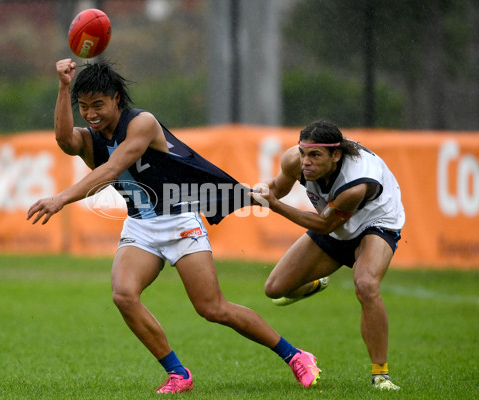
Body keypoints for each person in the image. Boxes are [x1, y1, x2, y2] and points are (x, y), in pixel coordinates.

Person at [26, 59, 320, 393]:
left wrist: (60, 199)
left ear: (117, 100)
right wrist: (64, 86)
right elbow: (64, 140)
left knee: (212, 308)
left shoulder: (142, 123)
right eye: (83, 107)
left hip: (179, 218)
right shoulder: (88, 137)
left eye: (98, 105)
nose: (91, 114)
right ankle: (178, 373)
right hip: (140, 225)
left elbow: (111, 170)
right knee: (124, 295)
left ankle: (295, 355)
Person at [250, 120, 405, 391]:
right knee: (274, 289)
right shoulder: (294, 160)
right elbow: (277, 188)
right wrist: (253, 193)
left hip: (375, 222)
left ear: (336, 155)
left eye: (314, 155)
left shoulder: (355, 184)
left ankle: (380, 375)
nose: (306, 162)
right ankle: (315, 282)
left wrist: (273, 205)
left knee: (366, 285)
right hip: (335, 221)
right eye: (302, 153)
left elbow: (324, 225)